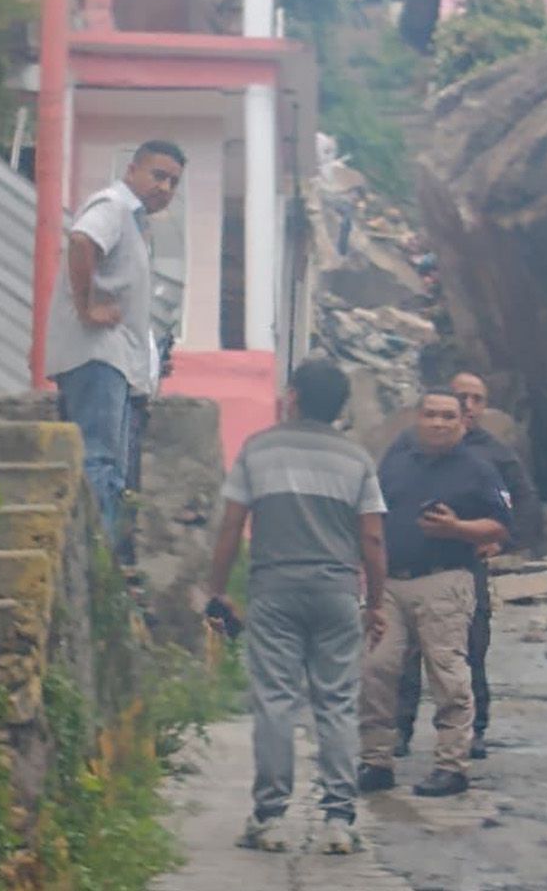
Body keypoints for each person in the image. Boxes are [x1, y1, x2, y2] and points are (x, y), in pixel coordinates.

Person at [205, 358, 389, 855]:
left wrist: (217, 590)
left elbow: (230, 524)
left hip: (274, 591)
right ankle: (338, 820)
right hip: (335, 593)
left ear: (294, 397)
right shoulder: (357, 459)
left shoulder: (258, 449)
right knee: (336, 704)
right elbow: (371, 538)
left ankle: (270, 818)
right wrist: (375, 601)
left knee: (275, 701)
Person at [357, 390, 510, 798]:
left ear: (462, 422)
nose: (439, 424)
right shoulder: (395, 462)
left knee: (447, 675)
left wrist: (458, 529)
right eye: (430, 415)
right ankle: (375, 761)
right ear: (416, 418)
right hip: (389, 583)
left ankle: (451, 765)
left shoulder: (478, 469)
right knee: (375, 670)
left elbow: (500, 526)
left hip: (445, 580)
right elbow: (371, 515)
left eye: (448, 417)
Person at [44, 140, 184, 559]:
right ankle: (92, 559)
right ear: (131, 171)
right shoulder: (114, 206)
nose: (165, 187)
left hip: (115, 362)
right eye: (157, 175)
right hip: (96, 356)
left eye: (173, 182)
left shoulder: (136, 224)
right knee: (100, 462)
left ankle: (97, 557)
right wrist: (87, 306)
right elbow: (83, 241)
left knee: (111, 469)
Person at [393, 371, 539, 761]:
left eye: (477, 400)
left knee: (469, 651)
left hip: (461, 567)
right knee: (402, 656)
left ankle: (474, 731)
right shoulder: (407, 447)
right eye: (462, 398)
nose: (468, 407)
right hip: (407, 568)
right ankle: (398, 729)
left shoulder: (494, 454)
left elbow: (522, 502)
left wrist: (498, 540)